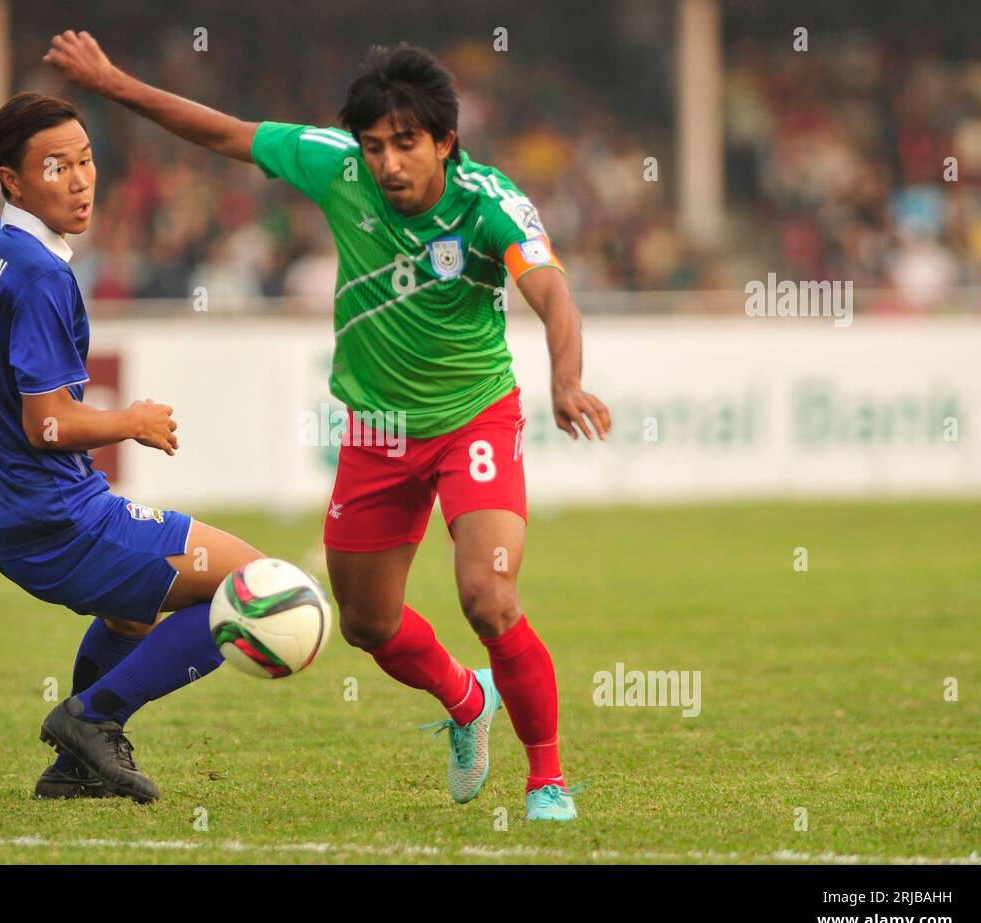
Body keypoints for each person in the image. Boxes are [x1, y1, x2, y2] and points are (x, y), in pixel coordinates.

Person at [45, 31, 612, 821]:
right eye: (374, 145)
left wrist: (568, 376)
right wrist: (112, 83)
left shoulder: (489, 202)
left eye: (406, 144)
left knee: (488, 595)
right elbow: (223, 131)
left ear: (446, 141)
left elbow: (553, 292)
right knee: (367, 624)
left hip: (473, 420)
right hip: (376, 431)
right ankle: (464, 700)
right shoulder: (335, 165)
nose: (387, 163)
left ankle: (546, 779)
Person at [0, 92, 261, 803]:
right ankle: (93, 717)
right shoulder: (44, 274)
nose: (79, 181)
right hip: (62, 519)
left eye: (86, 160)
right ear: (13, 179)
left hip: (15, 521)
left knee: (133, 613)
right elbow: (49, 424)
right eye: (56, 167)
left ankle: (75, 766)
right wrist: (130, 419)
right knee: (252, 590)